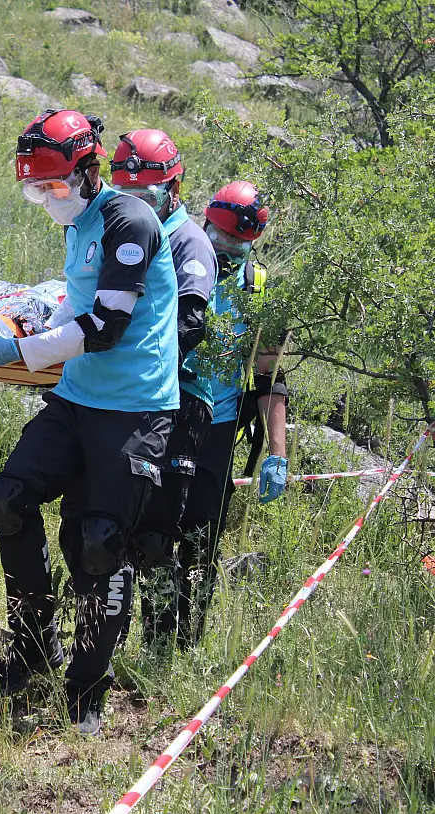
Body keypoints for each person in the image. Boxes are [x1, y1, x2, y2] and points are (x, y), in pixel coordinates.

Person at [0, 109, 179, 733]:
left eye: (54, 187)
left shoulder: (127, 219)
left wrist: (20, 353)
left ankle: (87, 684)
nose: (47, 199)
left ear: (88, 171)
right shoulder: (77, 224)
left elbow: (106, 329)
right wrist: (17, 329)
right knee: (9, 497)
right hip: (78, 400)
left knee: (100, 542)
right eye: (35, 190)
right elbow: (76, 306)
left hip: (136, 406)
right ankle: (33, 644)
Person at [108, 129, 219, 649]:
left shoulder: (186, 239)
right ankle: (108, 635)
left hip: (176, 395)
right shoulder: (121, 227)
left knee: (157, 533)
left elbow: (189, 323)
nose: (139, 207)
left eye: (148, 196)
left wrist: (139, 364)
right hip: (128, 395)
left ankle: (161, 648)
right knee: (113, 522)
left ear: (174, 188)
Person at [177, 181, 289, 644]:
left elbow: (269, 378)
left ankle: (184, 641)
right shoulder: (176, 261)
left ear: (253, 242)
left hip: (219, 426)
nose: (224, 250)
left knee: (202, 537)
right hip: (164, 411)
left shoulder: (259, 290)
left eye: (236, 244)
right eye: (219, 238)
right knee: (147, 528)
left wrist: (277, 453)